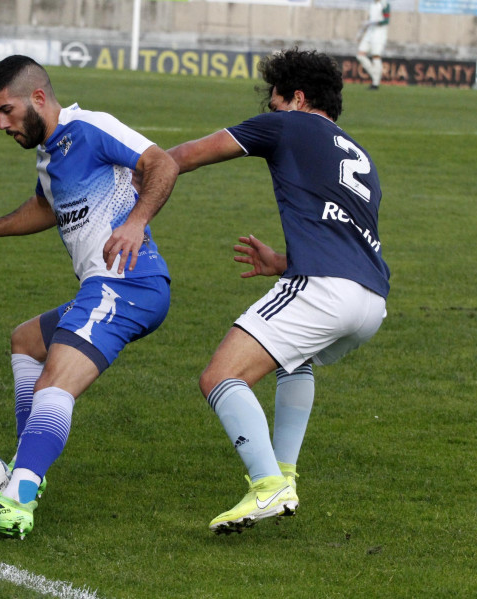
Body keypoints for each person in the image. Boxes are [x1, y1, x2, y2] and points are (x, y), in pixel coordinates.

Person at [0, 55, 179, 539]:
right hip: (107, 287)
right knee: (26, 341)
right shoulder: (49, 157)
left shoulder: (91, 127)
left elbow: (161, 163)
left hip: (127, 284)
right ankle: (28, 471)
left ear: (38, 98)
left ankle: (18, 501)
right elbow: (45, 208)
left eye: (6, 111)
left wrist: (135, 221)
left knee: (54, 384)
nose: (2, 124)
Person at [166, 48, 389, 534]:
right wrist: (283, 263)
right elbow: (349, 239)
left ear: (297, 98)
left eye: (274, 101)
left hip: (323, 290)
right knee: (296, 359)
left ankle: (267, 484)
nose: (270, 111)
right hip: (371, 301)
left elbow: (184, 157)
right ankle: (284, 474)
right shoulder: (360, 157)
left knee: (220, 376)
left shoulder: (289, 124)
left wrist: (128, 169)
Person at [357, 0, 391, 89]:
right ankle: (375, 74)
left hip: (379, 34)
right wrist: (360, 33)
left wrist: (375, 22)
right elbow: (369, 20)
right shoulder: (372, 5)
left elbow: (386, 21)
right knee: (360, 55)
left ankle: (375, 83)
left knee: (376, 56)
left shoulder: (384, 4)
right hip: (369, 33)